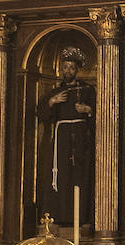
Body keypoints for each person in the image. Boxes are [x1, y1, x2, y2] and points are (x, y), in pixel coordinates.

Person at [36, 46, 95, 227]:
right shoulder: (56, 91)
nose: (68, 70)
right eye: (65, 67)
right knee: (60, 175)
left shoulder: (86, 90)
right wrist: (52, 102)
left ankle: (81, 217)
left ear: (77, 70)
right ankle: (59, 216)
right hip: (61, 140)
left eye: (71, 67)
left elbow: (102, 111)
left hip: (80, 139)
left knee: (80, 174)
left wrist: (88, 110)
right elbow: (41, 113)